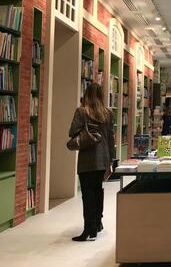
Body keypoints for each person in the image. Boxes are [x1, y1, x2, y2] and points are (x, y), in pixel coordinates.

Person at [68, 83, 115, 242]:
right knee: (97, 191)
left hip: (87, 159)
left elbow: (72, 132)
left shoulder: (81, 111)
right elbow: (110, 138)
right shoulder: (108, 113)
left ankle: (89, 228)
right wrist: (111, 160)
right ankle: (98, 223)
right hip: (103, 158)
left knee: (87, 194)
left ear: (86, 94)